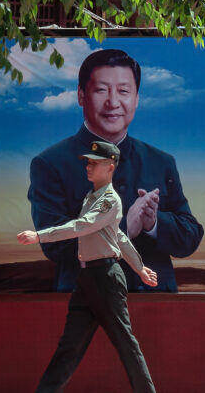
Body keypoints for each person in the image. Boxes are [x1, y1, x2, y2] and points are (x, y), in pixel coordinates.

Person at [28, 49, 204, 293]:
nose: (113, 102)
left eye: (123, 91)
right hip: (85, 301)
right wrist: (125, 229)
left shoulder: (161, 161)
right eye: (101, 90)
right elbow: (53, 243)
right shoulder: (50, 163)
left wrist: (153, 222)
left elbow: (190, 238)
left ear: (136, 98)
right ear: (81, 95)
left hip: (157, 302)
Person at [18, 141, 157, 393]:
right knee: (69, 346)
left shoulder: (109, 200)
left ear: (111, 167)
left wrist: (39, 235)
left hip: (105, 278)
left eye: (95, 162)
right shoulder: (92, 196)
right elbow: (120, 237)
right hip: (88, 279)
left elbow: (81, 226)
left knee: (126, 344)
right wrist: (140, 267)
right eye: (88, 162)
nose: (89, 166)